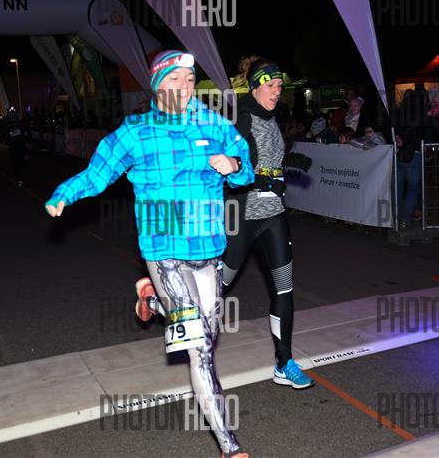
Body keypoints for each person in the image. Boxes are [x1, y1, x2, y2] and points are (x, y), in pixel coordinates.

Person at [46, 50, 254, 458]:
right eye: (175, 79)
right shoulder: (136, 132)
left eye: (190, 80)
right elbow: (98, 173)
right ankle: (230, 447)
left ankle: (152, 299)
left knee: (209, 333)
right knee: (200, 349)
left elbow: (246, 166)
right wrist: (64, 194)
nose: (185, 87)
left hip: (209, 247)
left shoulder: (214, 124)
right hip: (163, 248)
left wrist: (233, 165)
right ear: (158, 85)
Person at [219, 58, 314, 390]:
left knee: (284, 287)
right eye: (271, 86)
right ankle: (176, 310)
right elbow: (231, 170)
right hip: (242, 213)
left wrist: (289, 162)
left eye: (279, 87)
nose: (277, 92)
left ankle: (284, 362)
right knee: (218, 286)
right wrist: (263, 181)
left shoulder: (272, 117)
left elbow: (266, 160)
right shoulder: (242, 118)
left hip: (273, 214)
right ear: (256, 86)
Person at [4, 107, 27, 187]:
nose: (12, 115)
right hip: (13, 147)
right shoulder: (7, 125)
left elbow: (23, 134)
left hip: (20, 146)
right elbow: (6, 136)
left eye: (13, 114)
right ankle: (19, 179)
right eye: (11, 114)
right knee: (15, 164)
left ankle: (20, 176)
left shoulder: (20, 123)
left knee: (20, 162)